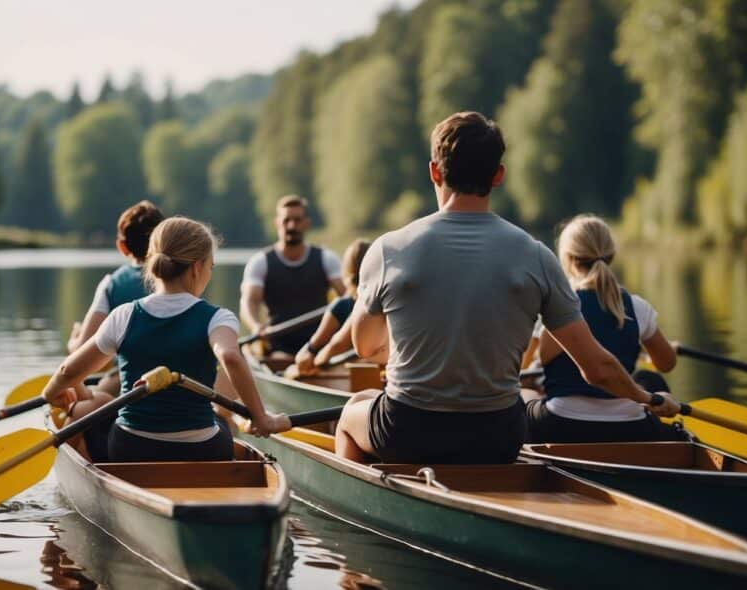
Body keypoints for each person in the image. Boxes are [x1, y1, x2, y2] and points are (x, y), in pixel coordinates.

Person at [336, 111, 681, 464]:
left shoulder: (389, 249)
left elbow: (364, 346)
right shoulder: (536, 255)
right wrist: (649, 399)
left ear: (434, 172)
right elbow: (597, 369)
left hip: (409, 430)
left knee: (353, 410)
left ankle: (362, 508)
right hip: (497, 435)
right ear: (498, 175)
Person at [41, 217, 291, 462]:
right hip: (201, 450)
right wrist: (261, 418)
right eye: (210, 267)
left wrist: (52, 392)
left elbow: (67, 371)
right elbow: (230, 357)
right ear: (197, 268)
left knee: (95, 415)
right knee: (222, 422)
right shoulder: (217, 318)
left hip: (131, 447)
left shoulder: (124, 316)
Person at [524, 215, 685, 443]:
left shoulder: (554, 306)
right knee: (649, 378)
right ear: (611, 255)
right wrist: (662, 348)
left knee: (523, 395)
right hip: (631, 427)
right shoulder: (637, 307)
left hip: (562, 425)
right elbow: (667, 363)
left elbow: (522, 368)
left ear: (568, 259)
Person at [66, 201, 165, 394]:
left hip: (129, 380)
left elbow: (81, 350)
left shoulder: (111, 284)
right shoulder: (179, 277)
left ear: (122, 246)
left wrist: (73, 340)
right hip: (178, 376)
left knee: (96, 393)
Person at [240, 195, 345, 357]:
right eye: (286, 220)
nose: (291, 226)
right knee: (270, 355)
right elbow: (249, 301)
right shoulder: (260, 262)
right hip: (278, 348)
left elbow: (347, 297)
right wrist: (255, 326)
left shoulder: (327, 259)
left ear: (306, 224)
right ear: (277, 223)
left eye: (297, 220)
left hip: (318, 347)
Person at [293, 238, 371, 375]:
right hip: (377, 372)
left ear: (347, 270)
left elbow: (319, 345)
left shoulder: (341, 306)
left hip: (344, 373)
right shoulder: (384, 301)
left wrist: (314, 359)